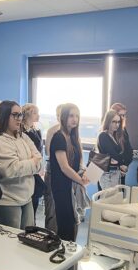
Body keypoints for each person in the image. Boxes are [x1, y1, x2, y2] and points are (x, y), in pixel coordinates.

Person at [0, 101, 42, 230]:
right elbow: (11, 169)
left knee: (27, 238)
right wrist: (33, 162)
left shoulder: (23, 136)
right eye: (15, 115)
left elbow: (41, 162)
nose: (19, 118)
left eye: (20, 115)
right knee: (10, 241)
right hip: (9, 201)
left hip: (27, 198)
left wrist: (28, 164)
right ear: (4, 115)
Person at [49, 103, 88, 241]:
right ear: (64, 117)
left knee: (72, 223)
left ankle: (70, 251)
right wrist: (80, 180)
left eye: (77, 116)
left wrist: (84, 173)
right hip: (61, 186)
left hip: (71, 185)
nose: (74, 119)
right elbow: (64, 167)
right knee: (65, 225)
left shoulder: (73, 137)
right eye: (71, 115)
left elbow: (77, 163)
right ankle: (63, 252)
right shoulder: (59, 137)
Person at [96, 109, 133, 190]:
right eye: (114, 122)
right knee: (108, 197)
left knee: (116, 196)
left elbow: (124, 154)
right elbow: (114, 155)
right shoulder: (103, 136)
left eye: (118, 122)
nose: (117, 124)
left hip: (115, 173)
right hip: (107, 175)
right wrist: (121, 162)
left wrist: (120, 163)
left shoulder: (116, 136)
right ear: (108, 121)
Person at [21, 103, 46, 217]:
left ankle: (33, 220)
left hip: (38, 166)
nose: (38, 115)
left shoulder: (36, 130)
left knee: (35, 198)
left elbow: (40, 150)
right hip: (30, 167)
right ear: (27, 115)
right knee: (32, 198)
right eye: (35, 113)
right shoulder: (22, 132)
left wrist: (41, 167)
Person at [42, 104, 64, 232]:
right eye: (59, 115)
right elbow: (48, 153)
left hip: (66, 174)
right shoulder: (52, 131)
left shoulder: (72, 131)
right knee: (51, 207)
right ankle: (49, 235)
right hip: (53, 171)